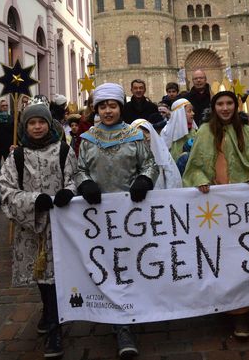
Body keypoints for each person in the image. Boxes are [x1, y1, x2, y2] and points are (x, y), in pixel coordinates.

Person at [76, 82, 159, 358]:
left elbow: (149, 164)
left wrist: (145, 180)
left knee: (133, 263)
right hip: (100, 217)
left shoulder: (135, 136)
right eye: (103, 106)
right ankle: (121, 324)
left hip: (131, 215)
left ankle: (137, 308)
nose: (108, 111)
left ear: (120, 107)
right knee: (111, 267)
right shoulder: (88, 139)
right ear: (97, 109)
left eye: (112, 105)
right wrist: (85, 183)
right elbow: (78, 169)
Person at [182, 90, 249, 338]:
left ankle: (241, 313)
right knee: (222, 257)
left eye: (229, 103)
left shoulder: (247, 131)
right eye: (220, 104)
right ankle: (225, 305)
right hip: (215, 206)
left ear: (235, 105)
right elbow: (196, 165)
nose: (225, 108)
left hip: (241, 205)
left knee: (242, 257)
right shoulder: (205, 132)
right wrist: (199, 178)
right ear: (214, 107)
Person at [0, 103, 77, 358]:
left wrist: (69, 193)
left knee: (56, 277)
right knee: (41, 275)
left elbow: (74, 178)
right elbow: (7, 190)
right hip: (31, 227)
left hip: (59, 225)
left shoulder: (63, 150)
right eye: (31, 123)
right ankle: (48, 311)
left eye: (41, 122)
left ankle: (55, 329)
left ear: (49, 124)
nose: (37, 127)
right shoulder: (17, 156)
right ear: (25, 126)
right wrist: (33, 201)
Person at [131, 119, 182, 189]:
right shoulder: (130, 156)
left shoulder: (162, 152)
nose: (147, 137)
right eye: (142, 134)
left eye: (148, 132)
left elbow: (173, 179)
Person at [161, 98, 197, 162]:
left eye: (192, 110)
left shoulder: (193, 130)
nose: (193, 113)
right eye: (189, 111)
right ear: (180, 114)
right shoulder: (166, 132)